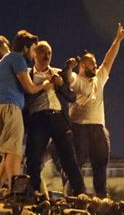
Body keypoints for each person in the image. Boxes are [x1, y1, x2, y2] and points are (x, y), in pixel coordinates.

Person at [0, 30, 55, 194]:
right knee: (15, 152)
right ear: (25, 48)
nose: (34, 54)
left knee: (8, 153)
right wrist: (44, 85)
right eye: (33, 49)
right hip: (8, 107)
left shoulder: (5, 60)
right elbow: (30, 88)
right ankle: (14, 191)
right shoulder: (17, 58)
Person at [66, 23, 124, 197]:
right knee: (76, 165)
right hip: (80, 128)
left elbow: (108, 59)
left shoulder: (99, 78)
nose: (95, 67)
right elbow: (66, 77)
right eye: (91, 65)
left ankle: (102, 196)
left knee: (100, 164)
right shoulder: (76, 79)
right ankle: (73, 196)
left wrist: (117, 40)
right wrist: (69, 68)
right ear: (83, 67)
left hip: (98, 127)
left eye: (95, 64)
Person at [24, 41, 85, 196]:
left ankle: (80, 193)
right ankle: (36, 192)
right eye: (43, 52)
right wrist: (42, 87)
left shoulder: (58, 72)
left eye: (49, 53)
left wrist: (61, 85)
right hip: (39, 118)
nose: (47, 56)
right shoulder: (28, 74)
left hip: (58, 117)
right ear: (34, 55)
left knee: (69, 158)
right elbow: (25, 100)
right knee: (34, 157)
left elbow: (71, 97)